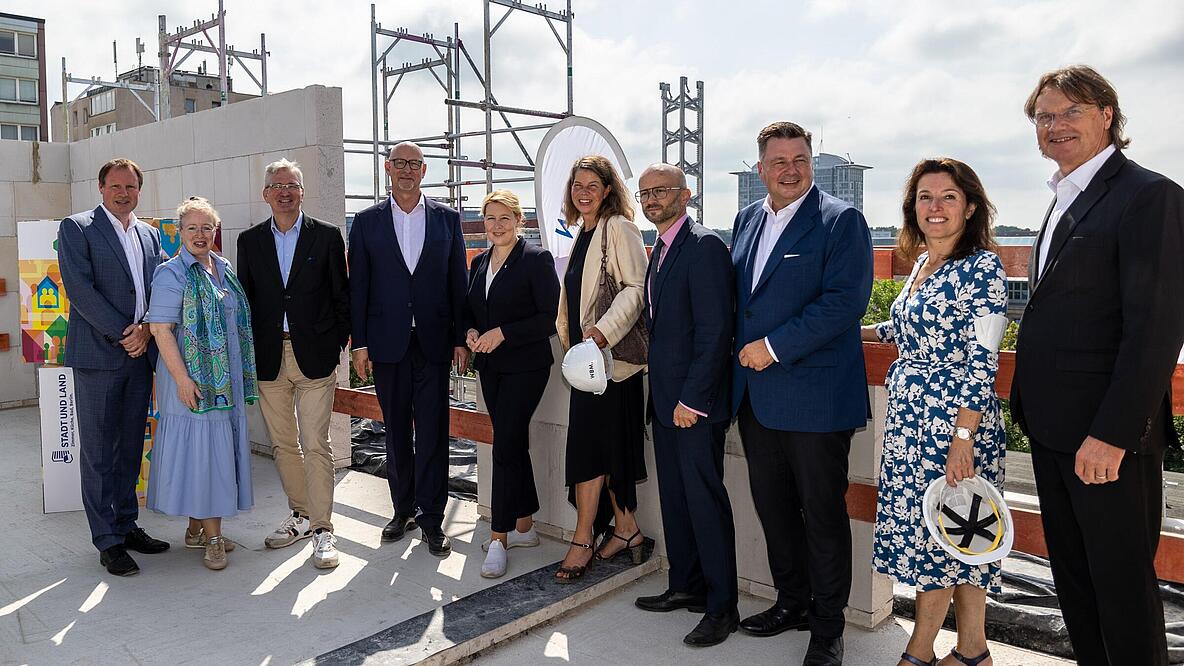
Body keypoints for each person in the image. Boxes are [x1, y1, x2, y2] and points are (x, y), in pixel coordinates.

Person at [1011, 65, 1184, 666]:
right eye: (1044, 116)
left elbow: (1156, 328)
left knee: (1123, 593)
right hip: (1054, 432)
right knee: (1076, 588)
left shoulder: (1148, 195)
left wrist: (1111, 435)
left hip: (1106, 440)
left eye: (1070, 112)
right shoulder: (1061, 197)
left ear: (1107, 116)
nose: (1055, 126)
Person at [729, 122, 872, 666]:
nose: (791, 169)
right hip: (756, 398)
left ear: (812, 162)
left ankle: (827, 628)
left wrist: (774, 346)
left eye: (801, 159)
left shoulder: (841, 221)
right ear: (760, 168)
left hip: (816, 399)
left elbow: (844, 303)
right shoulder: (745, 220)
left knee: (823, 514)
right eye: (779, 160)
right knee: (774, 508)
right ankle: (791, 602)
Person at [862, 159, 1008, 666]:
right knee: (958, 541)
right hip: (911, 425)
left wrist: (963, 438)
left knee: (938, 544)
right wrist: (858, 332)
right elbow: (908, 328)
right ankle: (973, 652)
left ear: (970, 207)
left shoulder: (982, 267)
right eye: (925, 197)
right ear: (913, 209)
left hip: (954, 426)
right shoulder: (923, 263)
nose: (936, 207)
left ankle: (918, 653)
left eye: (948, 196)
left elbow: (982, 357)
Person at [630, 164, 738, 647]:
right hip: (667, 402)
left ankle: (722, 607)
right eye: (645, 193)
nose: (652, 199)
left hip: (694, 405)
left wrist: (692, 399)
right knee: (675, 498)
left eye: (661, 191)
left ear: (686, 194)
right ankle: (686, 586)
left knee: (704, 501)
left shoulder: (705, 246)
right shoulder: (661, 248)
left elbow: (716, 331)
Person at [349, 142, 469, 556]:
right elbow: (359, 287)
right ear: (387, 169)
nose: (405, 170)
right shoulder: (366, 222)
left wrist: (459, 338)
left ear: (424, 170)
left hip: (433, 342)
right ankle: (402, 510)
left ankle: (433, 519)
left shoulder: (447, 219)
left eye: (413, 165)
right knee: (396, 430)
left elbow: (458, 282)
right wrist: (359, 343)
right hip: (386, 344)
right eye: (398, 163)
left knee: (434, 431)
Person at [58, 158, 170, 576]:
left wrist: (145, 331)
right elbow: (79, 290)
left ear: (139, 190)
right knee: (100, 452)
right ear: (101, 188)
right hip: (101, 356)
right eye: (116, 186)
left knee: (128, 448)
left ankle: (126, 524)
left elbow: (156, 287)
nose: (124, 194)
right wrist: (125, 333)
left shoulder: (149, 234)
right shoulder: (78, 227)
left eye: (131, 187)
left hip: (140, 355)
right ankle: (106, 540)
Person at [237, 159, 350, 570]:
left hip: (315, 356)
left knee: (317, 443)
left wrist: (337, 341)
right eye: (276, 186)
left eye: (292, 186)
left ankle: (323, 529)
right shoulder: (249, 242)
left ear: (302, 192)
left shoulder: (327, 236)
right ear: (266, 194)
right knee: (284, 444)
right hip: (269, 357)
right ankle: (300, 515)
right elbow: (246, 301)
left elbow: (342, 295)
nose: (284, 192)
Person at [145, 197, 256, 571]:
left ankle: (196, 529)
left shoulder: (222, 267)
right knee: (207, 455)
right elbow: (160, 330)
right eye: (191, 227)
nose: (199, 234)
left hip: (224, 380)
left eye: (206, 227)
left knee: (207, 455)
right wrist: (181, 379)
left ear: (215, 231)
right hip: (191, 380)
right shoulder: (170, 273)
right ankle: (213, 539)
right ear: (179, 232)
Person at [554, 155, 649, 582]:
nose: (584, 192)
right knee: (606, 449)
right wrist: (576, 347)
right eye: (578, 185)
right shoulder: (583, 234)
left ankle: (582, 539)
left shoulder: (619, 228)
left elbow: (636, 288)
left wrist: (601, 334)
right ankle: (627, 530)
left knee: (592, 451)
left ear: (608, 190)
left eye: (593, 185)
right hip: (589, 368)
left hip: (612, 365)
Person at [461, 190, 559, 578]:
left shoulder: (536, 259)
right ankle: (525, 526)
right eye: (490, 218)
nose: (497, 226)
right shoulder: (479, 262)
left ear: (519, 220)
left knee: (504, 445)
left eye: (505, 218)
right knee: (511, 442)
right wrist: (469, 330)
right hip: (491, 367)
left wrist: (503, 333)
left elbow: (548, 318)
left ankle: (498, 537)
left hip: (526, 366)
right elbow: (471, 309)